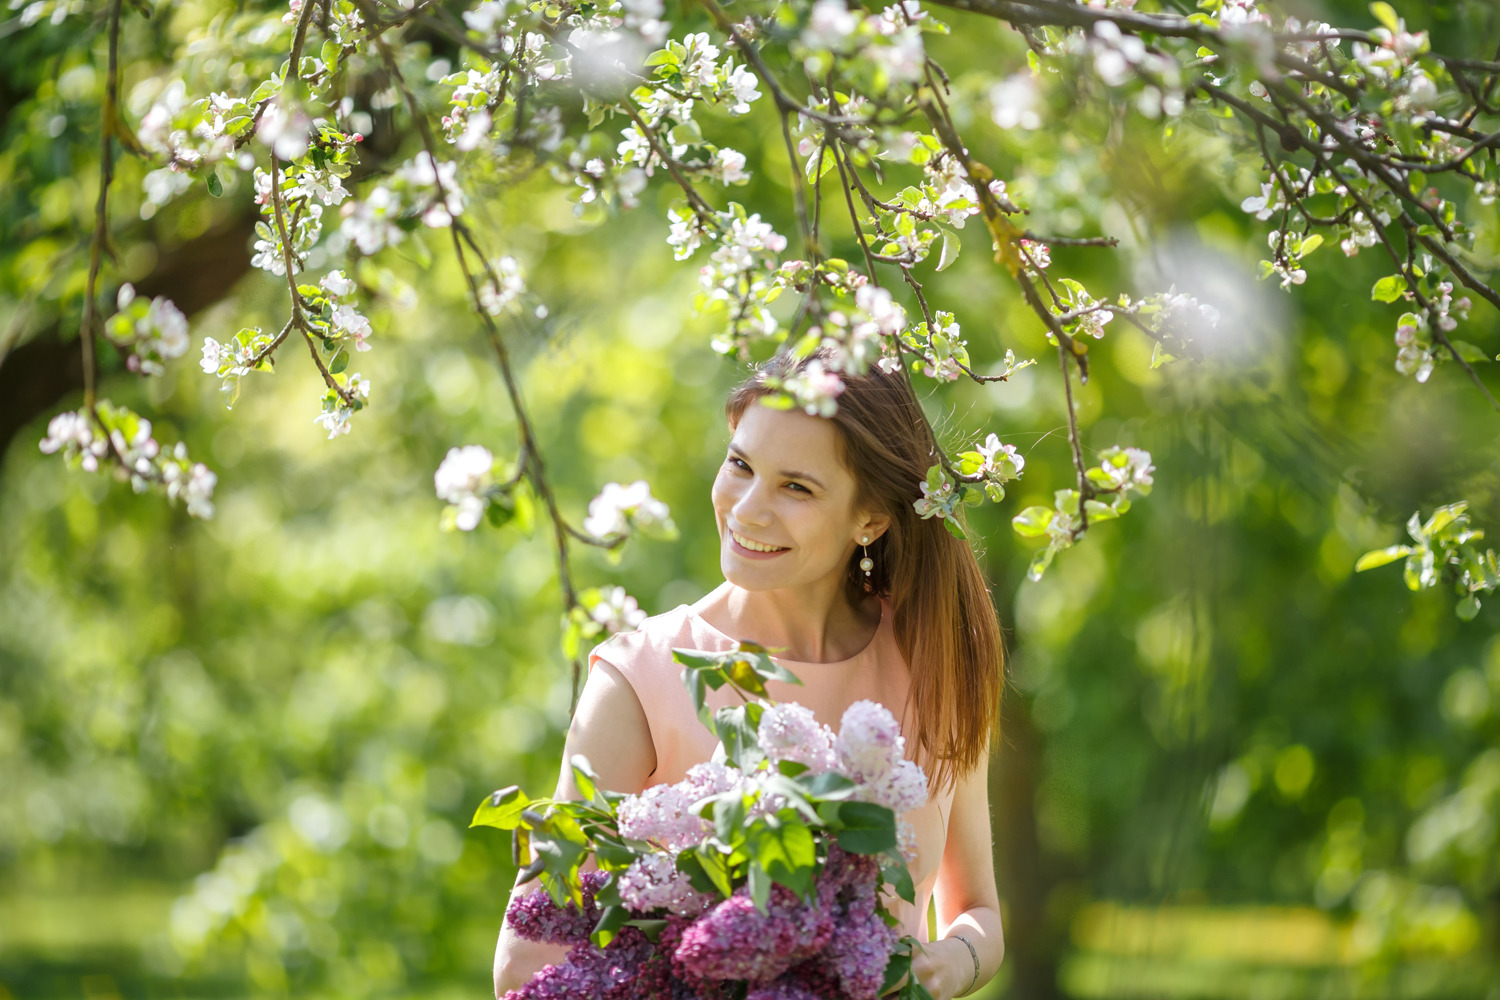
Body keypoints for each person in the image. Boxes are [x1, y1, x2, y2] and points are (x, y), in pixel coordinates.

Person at [493, 345, 1006, 1000]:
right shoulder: (640, 681)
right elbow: (524, 964)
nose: (747, 509)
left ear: (870, 520)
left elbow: (979, 912)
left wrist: (949, 963)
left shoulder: (934, 663)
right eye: (740, 465)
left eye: (797, 487)